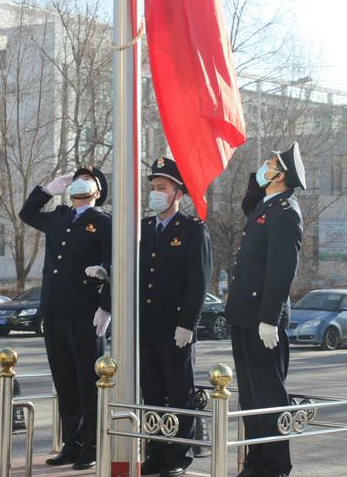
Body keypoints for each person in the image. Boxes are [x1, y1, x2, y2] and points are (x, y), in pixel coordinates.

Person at [19, 167, 112, 470]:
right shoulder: (58, 217)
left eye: (88, 181)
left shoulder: (102, 223)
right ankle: (71, 444)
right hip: (54, 312)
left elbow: (114, 267)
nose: (79, 184)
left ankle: (92, 446)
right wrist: (47, 189)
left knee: (88, 384)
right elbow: (27, 213)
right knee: (65, 385)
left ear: (98, 191)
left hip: (85, 315)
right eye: (74, 181)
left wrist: (106, 306)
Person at [224, 142, 305, 477]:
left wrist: (269, 318)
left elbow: (281, 270)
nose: (264, 164)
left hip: (262, 318)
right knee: (251, 397)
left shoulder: (286, 212)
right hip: (243, 315)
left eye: (270, 163)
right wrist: (257, 178)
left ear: (282, 174)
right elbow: (247, 203)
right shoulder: (265, 206)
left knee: (269, 396)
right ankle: (255, 462)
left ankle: (275, 466)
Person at [140, 157, 212, 477]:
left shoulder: (192, 230)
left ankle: (179, 454)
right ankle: (156, 451)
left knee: (179, 391)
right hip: (147, 328)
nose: (155, 193)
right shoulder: (142, 228)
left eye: (162, 188)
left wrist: (188, 324)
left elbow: (198, 281)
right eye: (153, 188)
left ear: (177, 194)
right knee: (152, 391)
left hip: (175, 328)